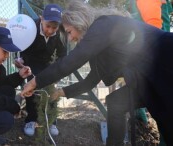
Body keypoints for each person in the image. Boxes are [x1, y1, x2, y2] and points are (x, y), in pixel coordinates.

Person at [20, 1, 173, 146]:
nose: (70, 38)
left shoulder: (103, 24)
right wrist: (60, 92)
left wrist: (34, 82)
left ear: (78, 21)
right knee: (116, 102)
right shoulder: (99, 48)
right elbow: (90, 82)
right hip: (145, 78)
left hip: (165, 62)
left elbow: (71, 61)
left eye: (69, 31)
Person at [15, 4, 67, 137]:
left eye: (54, 27)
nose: (50, 30)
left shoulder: (61, 33)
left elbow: (62, 55)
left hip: (50, 63)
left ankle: (52, 121)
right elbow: (22, 48)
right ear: (41, 19)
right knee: (31, 89)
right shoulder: (30, 27)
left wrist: (58, 72)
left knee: (52, 89)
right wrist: (20, 60)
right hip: (32, 62)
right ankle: (31, 120)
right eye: (48, 26)